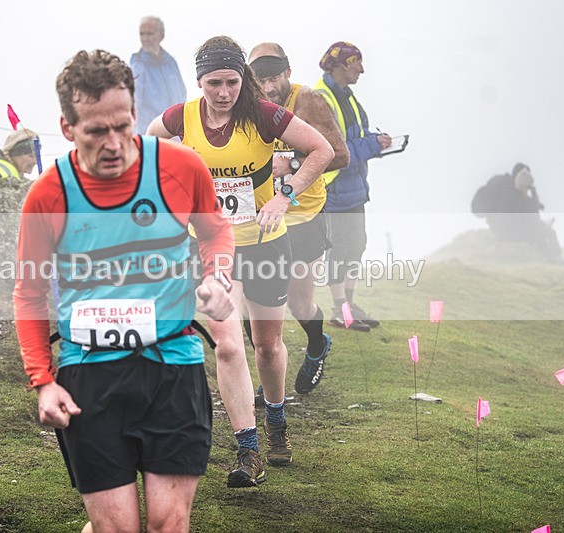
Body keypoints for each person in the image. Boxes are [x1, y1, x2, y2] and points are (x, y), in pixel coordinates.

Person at [13, 49, 235, 532]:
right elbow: (29, 294)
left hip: (173, 365)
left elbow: (215, 231)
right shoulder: (48, 195)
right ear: (68, 127)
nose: (114, 143)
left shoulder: (181, 167)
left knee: (167, 525)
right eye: (96, 131)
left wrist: (216, 277)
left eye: (123, 125)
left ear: (135, 112)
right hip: (90, 375)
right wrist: (42, 380)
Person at [148, 35, 333, 484]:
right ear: (200, 82)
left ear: (242, 79)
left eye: (232, 81)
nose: (224, 92)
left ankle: (276, 422)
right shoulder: (183, 118)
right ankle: (247, 451)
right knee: (229, 345)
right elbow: (149, 146)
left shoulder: (264, 115)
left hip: (265, 244)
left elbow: (322, 150)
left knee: (266, 346)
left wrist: (284, 197)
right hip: (212, 248)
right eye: (214, 83)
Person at [248, 42, 350, 396]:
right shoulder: (246, 103)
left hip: (303, 215)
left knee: (298, 302)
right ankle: (269, 378)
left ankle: (317, 345)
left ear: (288, 73)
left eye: (275, 78)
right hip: (262, 217)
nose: (269, 88)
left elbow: (340, 154)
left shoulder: (307, 100)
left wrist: (290, 163)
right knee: (255, 305)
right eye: (261, 80)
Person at [313, 41, 392, 331]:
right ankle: (338, 308)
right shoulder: (321, 98)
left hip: (354, 187)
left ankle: (349, 303)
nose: (361, 68)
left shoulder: (347, 96)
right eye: (355, 62)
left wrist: (377, 141)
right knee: (340, 248)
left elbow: (355, 136)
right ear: (339, 65)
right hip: (334, 189)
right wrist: (371, 144)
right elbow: (336, 151)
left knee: (356, 245)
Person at [486, 163, 562, 261]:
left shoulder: (519, 196)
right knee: (547, 232)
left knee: (544, 232)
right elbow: (526, 215)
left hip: (517, 230)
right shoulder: (511, 196)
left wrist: (533, 196)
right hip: (511, 232)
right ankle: (555, 258)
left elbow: (532, 214)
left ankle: (551, 257)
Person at [129, 16, 187, 135]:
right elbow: (134, 102)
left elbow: (181, 95)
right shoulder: (138, 65)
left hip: (174, 130)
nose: (145, 38)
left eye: (150, 34)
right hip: (148, 132)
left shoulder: (170, 63)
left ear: (161, 36)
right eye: (142, 34)